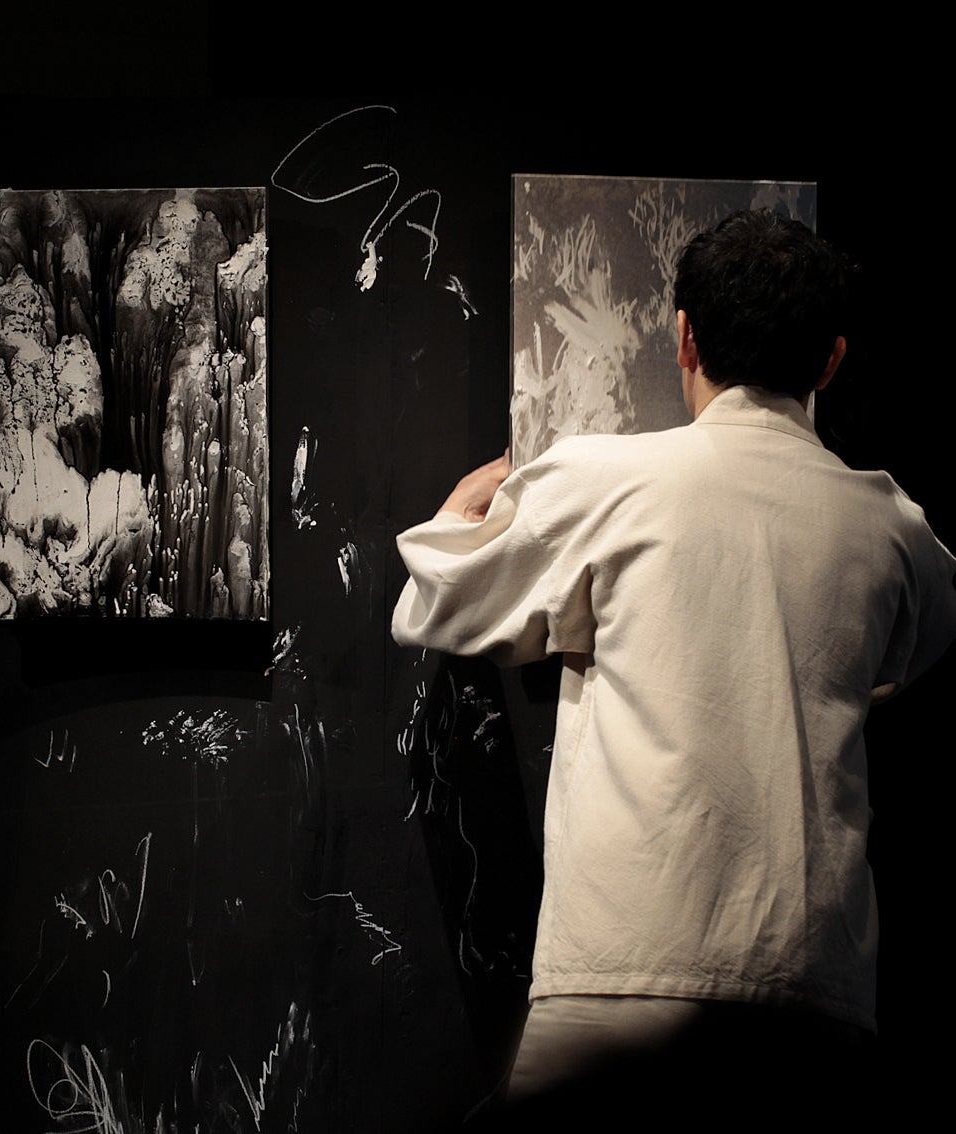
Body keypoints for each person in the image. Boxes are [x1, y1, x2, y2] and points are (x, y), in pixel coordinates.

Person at [391, 210, 956, 1120]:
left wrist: (461, 513)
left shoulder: (603, 480)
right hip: (813, 988)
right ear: (830, 361)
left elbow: (443, 600)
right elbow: (908, 658)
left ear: (684, 336)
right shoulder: (895, 530)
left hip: (624, 969)